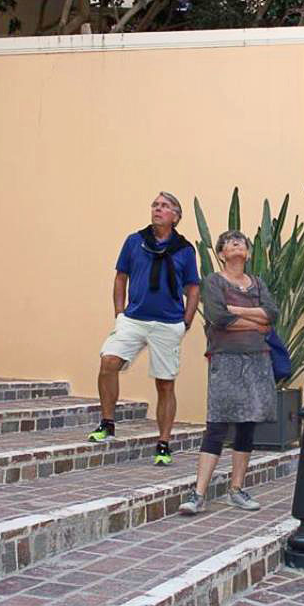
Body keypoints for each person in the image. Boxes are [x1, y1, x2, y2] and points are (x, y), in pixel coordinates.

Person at [90, 192, 200, 467]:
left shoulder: (185, 249)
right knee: (109, 361)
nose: (158, 209)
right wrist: (119, 313)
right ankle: (107, 423)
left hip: (167, 324)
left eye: (164, 206)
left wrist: (185, 322)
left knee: (165, 383)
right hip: (134, 319)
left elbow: (193, 288)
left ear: (176, 216)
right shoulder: (134, 241)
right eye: (155, 205)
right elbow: (120, 277)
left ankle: (163, 443)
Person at [179, 230, 279, 515]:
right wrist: (255, 322)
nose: (237, 245)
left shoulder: (257, 283)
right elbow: (218, 317)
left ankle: (236, 489)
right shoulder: (213, 281)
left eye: (241, 243)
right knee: (217, 425)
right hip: (226, 360)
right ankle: (198, 494)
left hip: (258, 361)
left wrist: (238, 311)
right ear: (222, 254)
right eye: (230, 243)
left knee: (247, 425)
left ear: (247, 253)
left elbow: (272, 314)